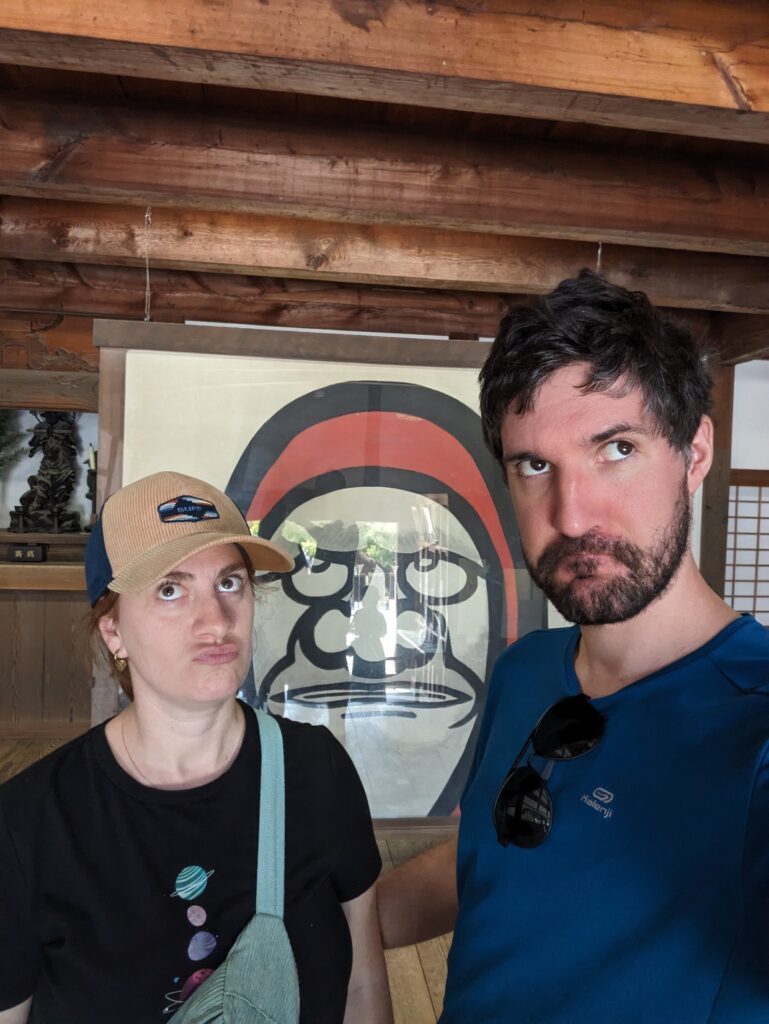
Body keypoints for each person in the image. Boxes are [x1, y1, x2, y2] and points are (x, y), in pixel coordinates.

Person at [377, 270, 769, 1022]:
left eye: (616, 448)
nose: (571, 514)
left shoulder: (755, 722)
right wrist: (327, 917)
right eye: (534, 465)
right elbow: (488, 859)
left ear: (694, 454)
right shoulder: (526, 669)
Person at [0, 470, 392, 1024]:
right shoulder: (28, 826)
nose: (216, 622)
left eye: (229, 583)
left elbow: (363, 983)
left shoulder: (318, 771)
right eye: (170, 589)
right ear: (113, 631)